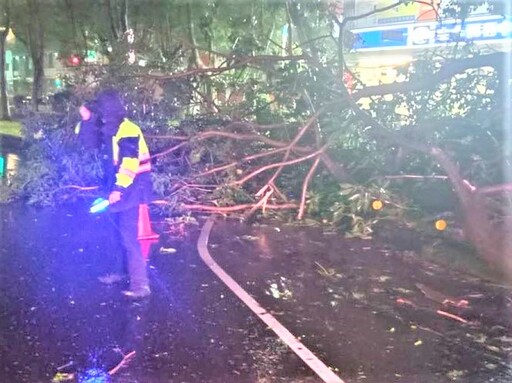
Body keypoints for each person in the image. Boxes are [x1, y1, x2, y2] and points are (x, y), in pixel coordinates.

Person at [76, 89, 153, 298]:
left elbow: (129, 162)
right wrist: (88, 120)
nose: (99, 114)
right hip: (115, 184)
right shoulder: (110, 128)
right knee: (114, 232)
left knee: (128, 235)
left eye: (99, 110)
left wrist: (119, 190)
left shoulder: (128, 129)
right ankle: (119, 272)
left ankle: (141, 285)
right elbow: (89, 144)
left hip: (133, 187)